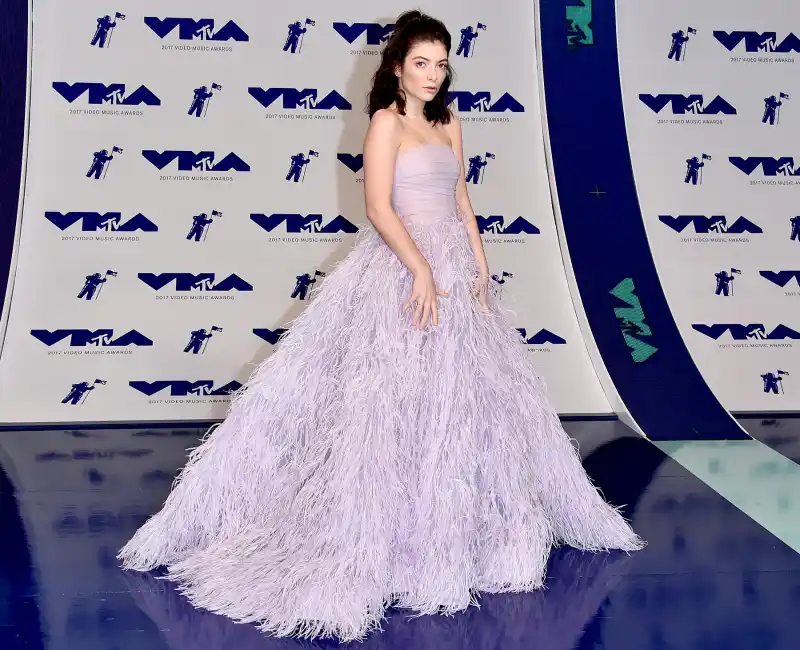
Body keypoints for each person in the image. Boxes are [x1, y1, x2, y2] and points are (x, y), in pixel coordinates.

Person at [117, 10, 645, 643]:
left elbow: (462, 201)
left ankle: (448, 535)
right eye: (421, 63)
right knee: (389, 406)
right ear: (397, 68)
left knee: (460, 409)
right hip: (400, 270)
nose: (433, 74)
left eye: (442, 63)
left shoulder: (449, 120)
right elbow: (376, 205)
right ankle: (379, 538)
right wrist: (420, 268)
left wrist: (479, 266)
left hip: (454, 272)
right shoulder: (385, 122)